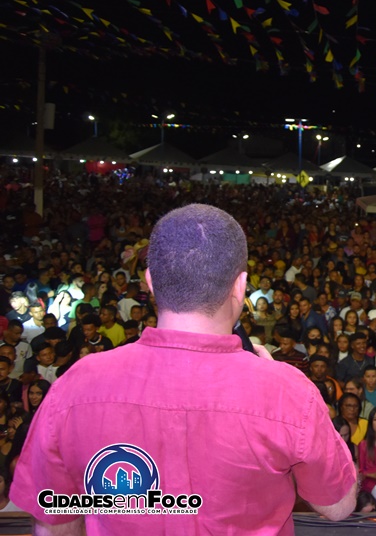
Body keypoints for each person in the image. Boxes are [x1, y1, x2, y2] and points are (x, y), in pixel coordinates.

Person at [10, 204, 357, 533]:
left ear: (149, 281)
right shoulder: (287, 391)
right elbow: (339, 506)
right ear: (240, 286)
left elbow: (54, 521)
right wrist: (282, 382)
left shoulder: (75, 386)